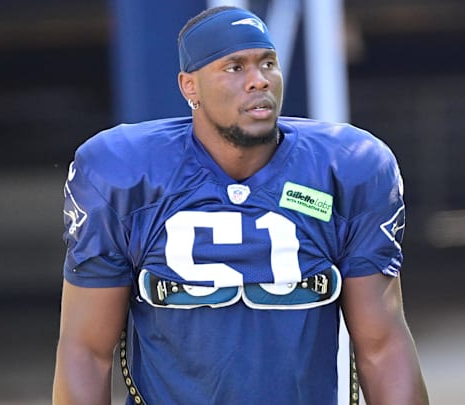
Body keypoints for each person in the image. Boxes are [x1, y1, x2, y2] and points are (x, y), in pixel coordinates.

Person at [53, 5, 428, 405]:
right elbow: (86, 350)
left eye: (268, 64)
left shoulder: (347, 169)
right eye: (235, 67)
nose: (258, 81)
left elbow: (382, 344)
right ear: (189, 87)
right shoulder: (124, 174)